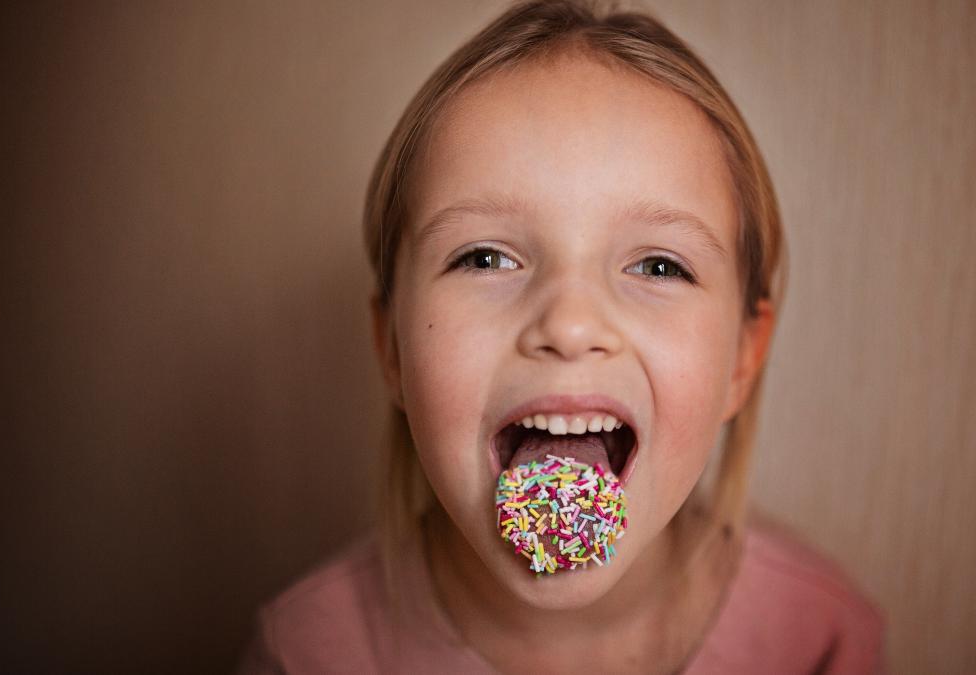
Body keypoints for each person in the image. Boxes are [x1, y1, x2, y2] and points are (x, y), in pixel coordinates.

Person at [238, 1, 883, 672]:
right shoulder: (305, 652)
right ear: (393, 348)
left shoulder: (818, 640)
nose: (570, 326)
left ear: (742, 362)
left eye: (659, 264)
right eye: (485, 257)